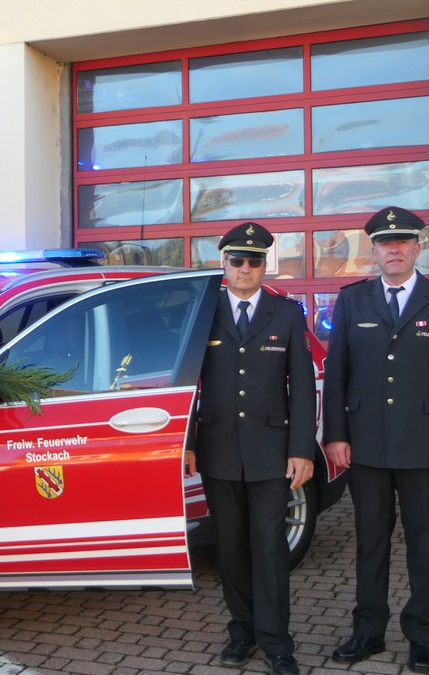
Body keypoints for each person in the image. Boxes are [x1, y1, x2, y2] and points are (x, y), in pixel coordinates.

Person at [323, 206, 429, 674]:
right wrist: (335, 435)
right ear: (372, 251)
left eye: (403, 242)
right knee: (370, 542)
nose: (393, 249)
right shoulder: (353, 300)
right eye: (384, 243)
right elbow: (337, 375)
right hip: (366, 446)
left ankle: (420, 634)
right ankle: (368, 631)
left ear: (418, 247)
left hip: (426, 445)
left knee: (423, 543)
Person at [185, 221, 316, 675]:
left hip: (271, 453)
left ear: (265, 266)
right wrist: (187, 442)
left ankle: (277, 642)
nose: (245, 267)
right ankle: (242, 631)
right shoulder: (204, 311)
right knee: (232, 549)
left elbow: (303, 387)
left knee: (270, 549)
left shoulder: (287, 315)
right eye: (237, 260)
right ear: (223, 263)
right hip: (218, 449)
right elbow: (185, 384)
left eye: (254, 260)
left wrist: (302, 449)